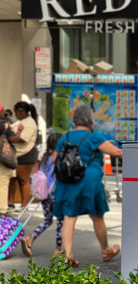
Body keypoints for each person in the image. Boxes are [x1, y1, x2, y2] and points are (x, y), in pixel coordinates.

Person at [52, 105, 122, 267]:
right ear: (90, 119)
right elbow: (117, 153)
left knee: (69, 218)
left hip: (67, 182)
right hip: (89, 182)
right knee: (97, 216)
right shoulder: (93, 137)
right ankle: (105, 250)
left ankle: (68, 255)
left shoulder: (65, 137)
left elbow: (54, 159)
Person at [21, 133, 64, 256]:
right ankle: (58, 247)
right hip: (55, 193)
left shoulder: (45, 157)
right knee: (61, 220)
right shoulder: (57, 158)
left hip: (43, 193)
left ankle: (31, 239)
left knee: (48, 220)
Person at [8, 101, 39, 211]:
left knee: (23, 179)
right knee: (12, 179)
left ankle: (24, 205)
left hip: (26, 154)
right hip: (15, 153)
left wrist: (11, 137)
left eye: (16, 112)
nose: (15, 114)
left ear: (22, 112)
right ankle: (10, 203)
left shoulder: (30, 123)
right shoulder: (20, 121)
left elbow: (22, 139)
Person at [0, 103, 20, 216]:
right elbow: (13, 139)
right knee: (2, 184)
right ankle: (2, 210)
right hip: (2, 160)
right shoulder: (4, 125)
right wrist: (19, 131)